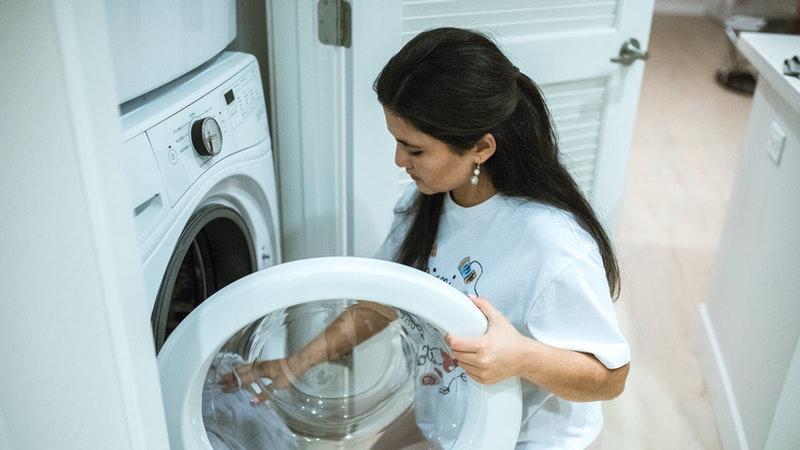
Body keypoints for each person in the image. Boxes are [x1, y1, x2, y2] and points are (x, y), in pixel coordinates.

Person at [221, 27, 630, 449]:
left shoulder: (552, 243)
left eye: (414, 150)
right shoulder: (427, 203)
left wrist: (521, 357)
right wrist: (297, 363)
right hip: (450, 413)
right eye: (398, 143)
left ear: (481, 148)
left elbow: (611, 377)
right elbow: (383, 302)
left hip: (525, 438)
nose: (399, 161)